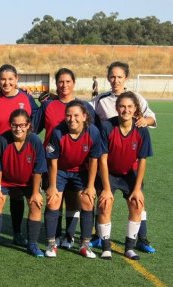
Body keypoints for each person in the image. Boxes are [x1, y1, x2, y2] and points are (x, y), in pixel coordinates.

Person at [90, 61, 157, 253]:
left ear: (126, 78)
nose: (116, 80)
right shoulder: (100, 100)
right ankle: (100, 238)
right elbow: (84, 114)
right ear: (108, 77)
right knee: (104, 200)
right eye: (112, 76)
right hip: (108, 155)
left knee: (137, 200)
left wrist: (145, 120)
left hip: (130, 160)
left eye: (120, 77)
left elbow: (151, 118)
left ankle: (140, 239)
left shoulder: (137, 98)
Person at [33, 68, 95, 249]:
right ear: (56, 84)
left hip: (78, 163)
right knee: (54, 198)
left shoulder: (84, 107)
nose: (64, 85)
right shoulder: (48, 105)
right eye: (61, 81)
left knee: (74, 200)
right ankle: (55, 236)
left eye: (68, 81)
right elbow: (33, 129)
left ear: (74, 83)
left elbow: (94, 132)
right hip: (52, 162)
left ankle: (69, 236)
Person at [0, 64, 38, 247]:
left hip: (20, 156)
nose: (6, 83)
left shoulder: (26, 98)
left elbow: (37, 120)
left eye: (10, 79)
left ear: (17, 79)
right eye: (3, 79)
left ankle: (17, 233)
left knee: (16, 195)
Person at [97, 92, 153, 260]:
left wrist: (137, 189)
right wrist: (106, 188)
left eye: (130, 106)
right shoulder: (107, 126)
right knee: (105, 204)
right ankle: (106, 247)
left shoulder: (141, 130)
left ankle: (129, 247)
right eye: (122, 106)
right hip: (109, 173)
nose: (126, 110)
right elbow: (102, 159)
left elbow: (142, 160)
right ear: (116, 108)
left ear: (135, 109)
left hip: (130, 174)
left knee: (137, 204)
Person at [44, 100, 102, 259]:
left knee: (88, 200)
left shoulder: (93, 132)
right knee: (53, 200)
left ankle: (84, 244)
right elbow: (53, 162)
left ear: (84, 116)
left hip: (81, 171)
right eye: (68, 115)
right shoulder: (58, 132)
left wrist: (90, 186)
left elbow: (94, 161)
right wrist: (53, 186)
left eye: (76, 115)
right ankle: (51, 243)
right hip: (60, 170)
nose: (72, 119)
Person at [0, 109, 47, 257]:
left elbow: (38, 171)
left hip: (28, 182)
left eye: (22, 125)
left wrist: (35, 193)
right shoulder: (3, 139)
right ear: (10, 125)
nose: (18, 128)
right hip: (5, 181)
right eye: (14, 125)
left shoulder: (34, 141)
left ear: (28, 125)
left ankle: (32, 244)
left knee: (35, 204)